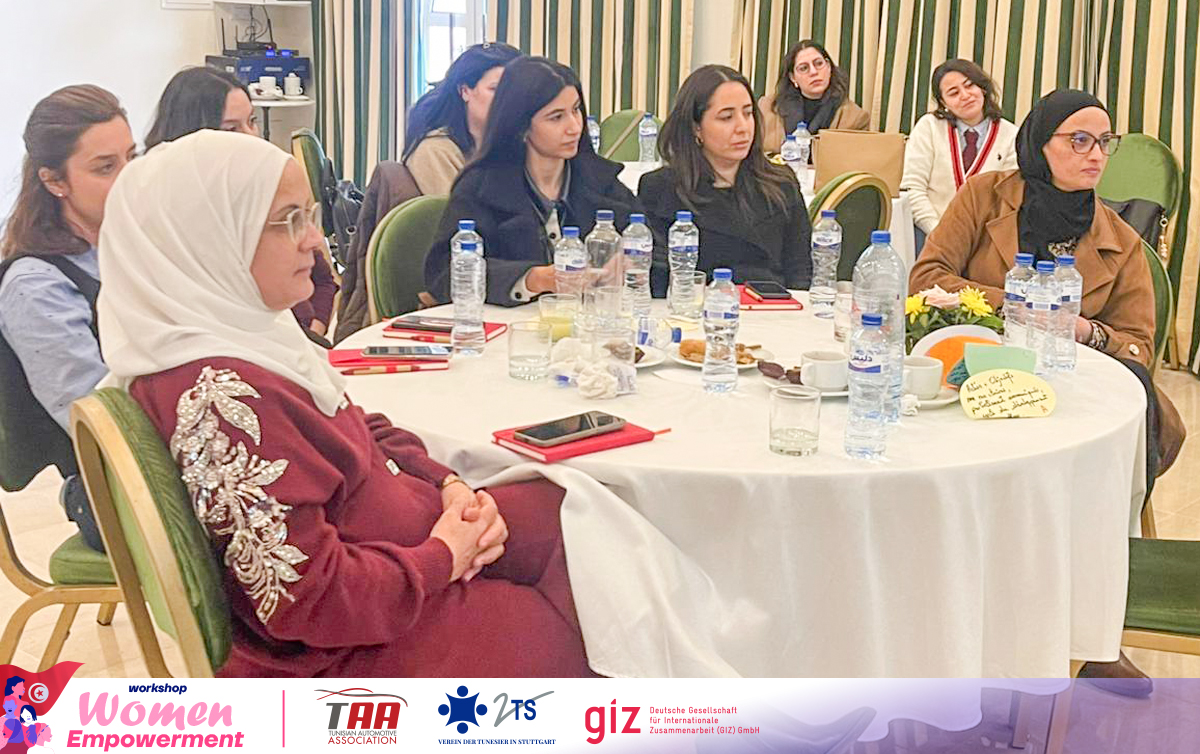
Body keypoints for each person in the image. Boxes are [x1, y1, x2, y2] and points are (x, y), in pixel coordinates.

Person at [98, 129, 594, 678]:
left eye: (309, 215)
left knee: (581, 516)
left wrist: (448, 485)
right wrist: (443, 557)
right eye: (288, 221)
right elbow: (308, 598)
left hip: (401, 563)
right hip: (358, 643)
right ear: (209, 241)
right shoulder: (220, 395)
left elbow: (358, 423)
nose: (315, 240)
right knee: (600, 622)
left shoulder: (250, 335)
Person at [910, 89, 1185, 697]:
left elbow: (1140, 345)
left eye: (1104, 142)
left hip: (1069, 393)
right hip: (971, 376)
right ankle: (945, 614)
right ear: (1040, 143)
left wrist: (1086, 330)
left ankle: (1092, 638)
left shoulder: (1119, 239)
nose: (1095, 155)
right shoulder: (985, 196)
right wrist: (1022, 304)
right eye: (1078, 140)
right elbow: (927, 277)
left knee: (1092, 469)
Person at [0, 86, 135, 553]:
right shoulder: (34, 284)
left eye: (131, 158)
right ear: (55, 181)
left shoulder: (124, 247)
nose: (128, 178)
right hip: (113, 487)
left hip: (166, 453)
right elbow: (100, 421)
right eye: (105, 167)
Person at [425, 56, 642, 306]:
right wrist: (532, 279)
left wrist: (630, 261)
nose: (574, 127)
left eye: (576, 110)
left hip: (594, 319)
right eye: (556, 117)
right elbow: (444, 273)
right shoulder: (480, 187)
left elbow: (654, 246)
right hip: (512, 324)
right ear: (521, 126)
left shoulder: (599, 180)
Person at [145, 66, 338, 339]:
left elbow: (324, 279)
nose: (251, 136)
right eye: (232, 128)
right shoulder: (177, 225)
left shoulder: (266, 192)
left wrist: (314, 332)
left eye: (252, 121)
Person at [639, 64, 811, 293]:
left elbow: (802, 273)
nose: (743, 128)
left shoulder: (781, 182)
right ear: (696, 127)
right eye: (726, 117)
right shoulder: (661, 188)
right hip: (699, 309)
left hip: (774, 309)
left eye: (748, 113)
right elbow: (657, 282)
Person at [901, 59, 1017, 252]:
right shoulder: (929, 127)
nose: (965, 96)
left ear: (983, 88)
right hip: (930, 235)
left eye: (969, 85)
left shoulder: (1010, 134)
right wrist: (939, 233)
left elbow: (1007, 199)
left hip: (985, 242)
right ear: (943, 103)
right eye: (953, 93)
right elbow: (912, 188)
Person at [402, 42, 522, 195]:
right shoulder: (436, 151)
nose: (508, 98)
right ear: (465, 91)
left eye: (515, 90)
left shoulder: (516, 146)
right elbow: (457, 209)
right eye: (495, 89)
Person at [759, 40, 870, 152]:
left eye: (819, 64)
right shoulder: (766, 109)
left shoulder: (855, 118)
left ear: (828, 67)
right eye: (804, 68)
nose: (813, 72)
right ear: (793, 77)